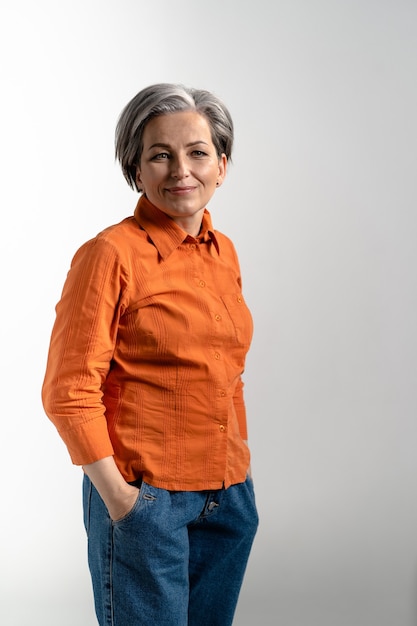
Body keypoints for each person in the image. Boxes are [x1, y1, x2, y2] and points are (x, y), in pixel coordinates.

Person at [42, 83, 258, 626]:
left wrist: (239, 468)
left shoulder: (223, 251)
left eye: (197, 152)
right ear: (137, 171)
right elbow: (68, 392)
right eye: (160, 155)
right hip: (147, 500)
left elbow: (226, 371)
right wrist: (122, 501)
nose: (181, 170)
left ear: (222, 166)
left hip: (228, 498)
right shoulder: (110, 254)